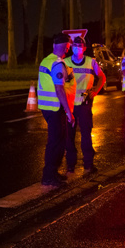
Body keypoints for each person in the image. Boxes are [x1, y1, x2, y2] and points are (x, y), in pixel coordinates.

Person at [38, 33, 77, 187]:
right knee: (56, 143)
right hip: (55, 108)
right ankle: (49, 176)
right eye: (68, 47)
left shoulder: (46, 60)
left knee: (56, 142)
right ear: (65, 46)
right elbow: (59, 88)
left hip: (47, 108)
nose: (68, 50)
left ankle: (52, 173)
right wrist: (69, 112)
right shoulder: (57, 64)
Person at [64, 36, 105, 175]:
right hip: (69, 105)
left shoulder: (91, 62)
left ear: (85, 48)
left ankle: (88, 163)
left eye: (80, 46)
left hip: (84, 104)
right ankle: (70, 165)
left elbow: (102, 77)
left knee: (86, 135)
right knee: (69, 136)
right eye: (75, 45)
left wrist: (95, 90)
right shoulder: (65, 62)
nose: (77, 48)